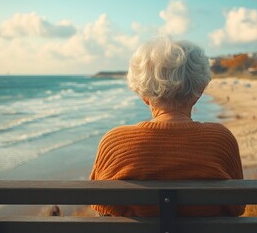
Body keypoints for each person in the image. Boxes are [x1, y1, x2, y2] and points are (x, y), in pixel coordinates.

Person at [90, 36, 244, 217]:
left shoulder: (114, 142)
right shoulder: (221, 139)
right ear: (199, 92)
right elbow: (237, 206)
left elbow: (100, 205)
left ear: (144, 96)